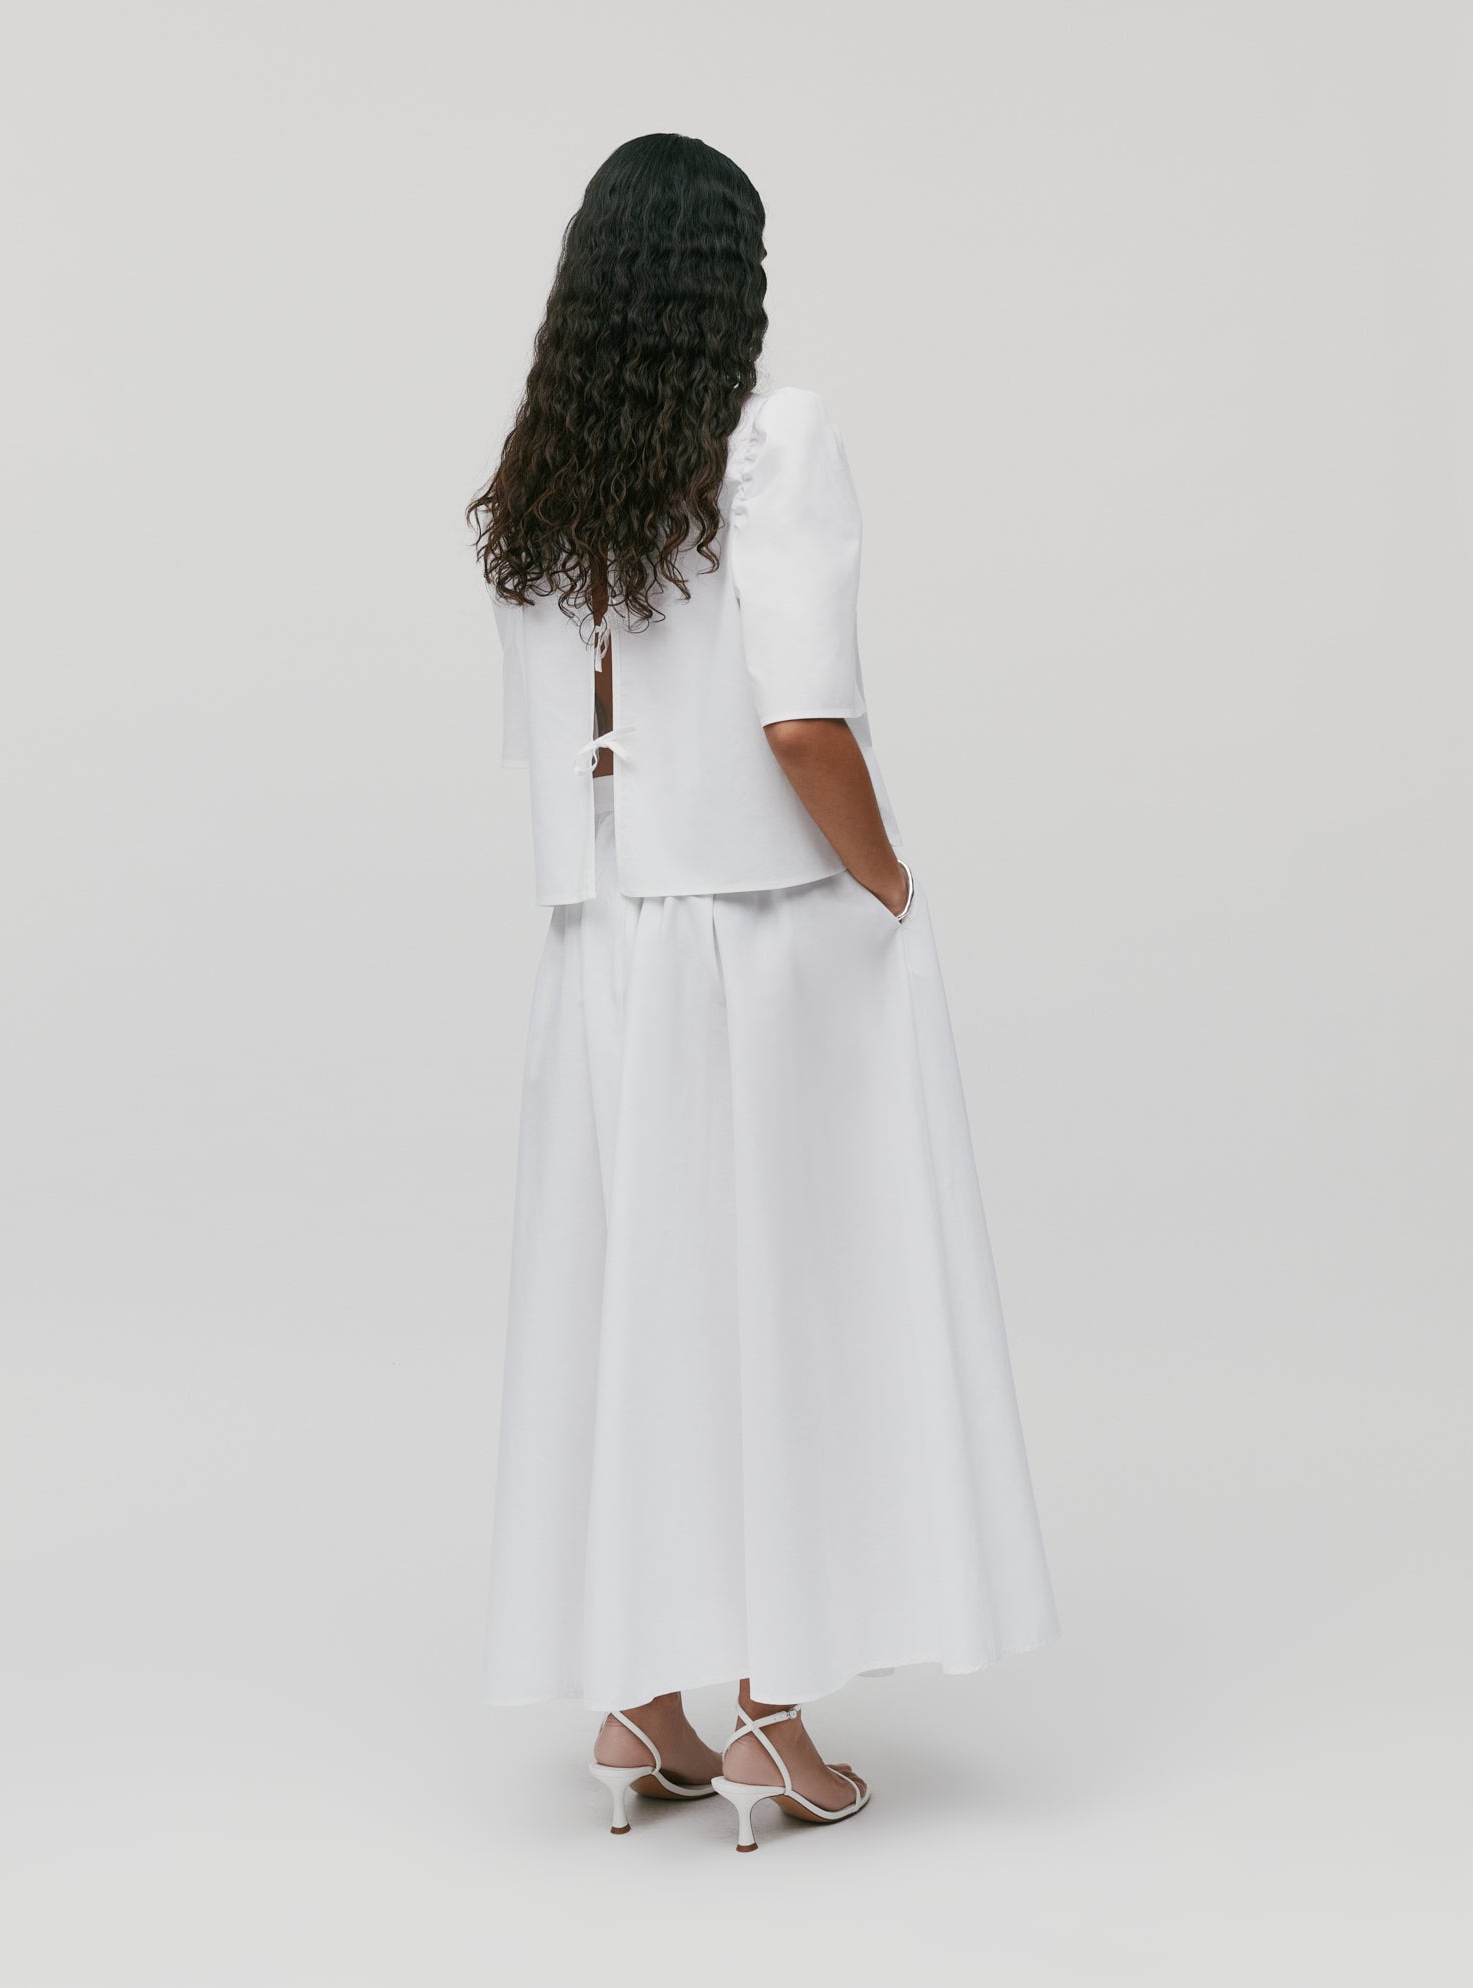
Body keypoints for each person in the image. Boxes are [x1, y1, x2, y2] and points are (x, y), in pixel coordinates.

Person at [467, 133, 1059, 1854]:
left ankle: (643, 1694)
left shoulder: (547, 473)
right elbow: (801, 723)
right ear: (733, 274)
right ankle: (772, 1719)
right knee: (784, 1299)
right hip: (760, 940)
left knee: (640, 1306)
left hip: (601, 948)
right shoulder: (768, 436)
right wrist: (889, 879)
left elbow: (572, 738)